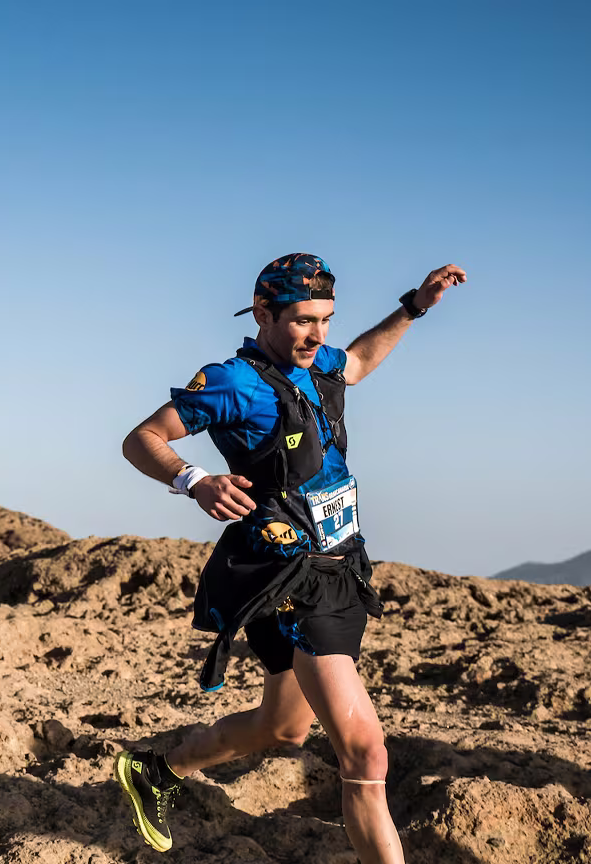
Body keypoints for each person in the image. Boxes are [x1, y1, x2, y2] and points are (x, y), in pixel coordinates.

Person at [113, 253, 465, 862]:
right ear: (263, 313)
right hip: (293, 578)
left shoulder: (318, 360)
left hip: (339, 566)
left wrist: (412, 308)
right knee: (365, 752)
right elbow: (141, 438)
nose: (318, 335)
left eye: (325, 319)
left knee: (284, 728)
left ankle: (155, 771)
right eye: (304, 321)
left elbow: (354, 363)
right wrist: (194, 479)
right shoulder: (233, 381)